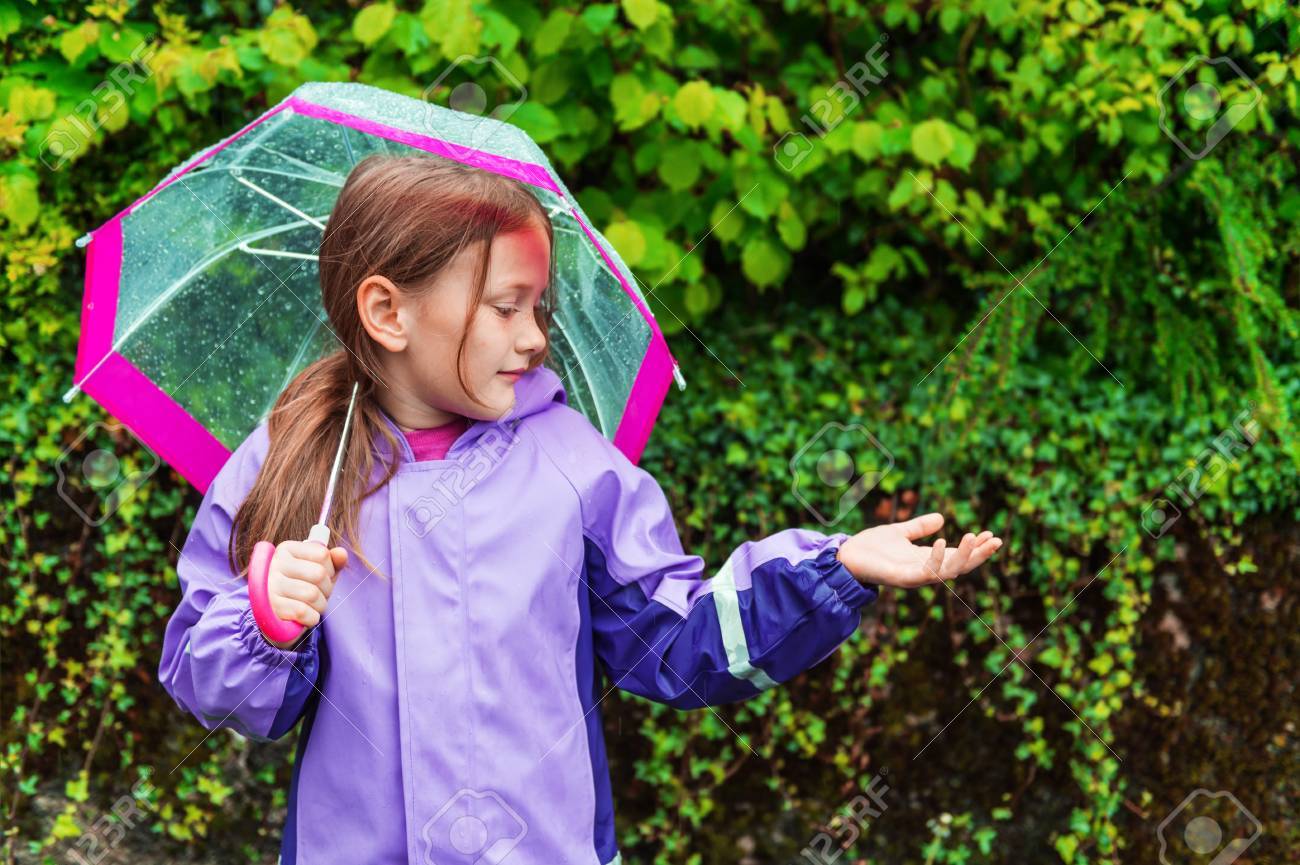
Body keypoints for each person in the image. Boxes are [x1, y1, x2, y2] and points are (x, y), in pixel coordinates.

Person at [157, 153, 1002, 865]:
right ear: (387, 311)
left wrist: (833, 569)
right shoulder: (292, 463)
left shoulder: (571, 468)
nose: (533, 337)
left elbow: (677, 642)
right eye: (505, 306)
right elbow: (226, 699)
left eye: (540, 307)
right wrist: (265, 625)